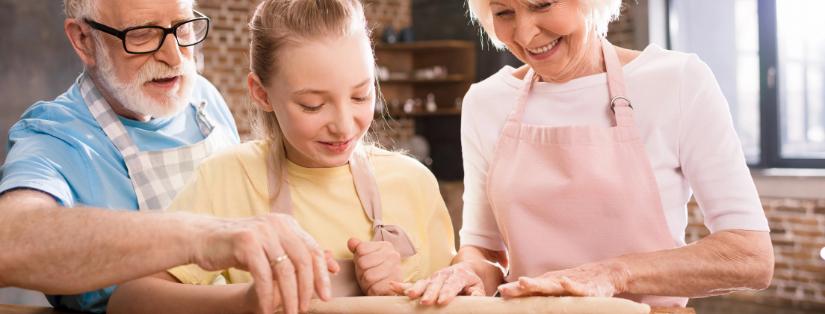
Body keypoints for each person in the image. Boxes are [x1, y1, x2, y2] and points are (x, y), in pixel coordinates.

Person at [396, 0, 774, 308]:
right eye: (504, 13)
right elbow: (483, 249)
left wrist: (613, 274)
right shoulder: (485, 102)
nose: (525, 33)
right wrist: (468, 272)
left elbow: (749, 257)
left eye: (542, 5)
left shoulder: (676, 81)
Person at [106, 0, 456, 313]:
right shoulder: (226, 178)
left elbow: (458, 300)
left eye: (361, 96)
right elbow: (129, 300)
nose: (344, 126)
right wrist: (247, 301)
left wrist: (400, 295)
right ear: (262, 94)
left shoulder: (414, 183)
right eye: (312, 105)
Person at [0, 0, 333, 312]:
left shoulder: (203, 98)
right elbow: (8, 242)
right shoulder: (55, 135)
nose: (174, 58)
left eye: (183, 27)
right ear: (84, 40)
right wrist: (205, 236)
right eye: (143, 34)